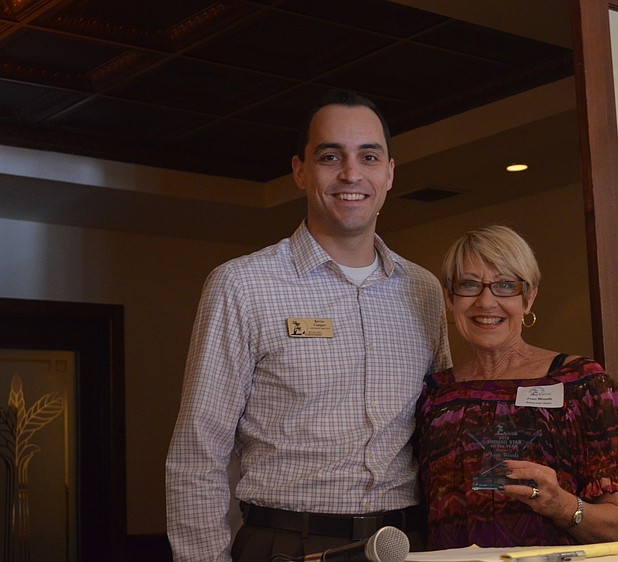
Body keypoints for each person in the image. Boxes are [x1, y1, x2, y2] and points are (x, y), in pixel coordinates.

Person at [166, 90, 451, 562]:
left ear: (389, 173)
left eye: (368, 156)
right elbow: (199, 452)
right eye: (330, 156)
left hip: (405, 546)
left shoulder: (422, 290)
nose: (351, 174)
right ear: (300, 170)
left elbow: (438, 430)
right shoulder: (242, 284)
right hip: (283, 546)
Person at [415, 225, 618, 549]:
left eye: (505, 286)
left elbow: (615, 527)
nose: (486, 302)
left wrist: (562, 505)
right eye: (470, 285)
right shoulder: (434, 394)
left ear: (528, 298)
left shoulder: (581, 384)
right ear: (450, 298)